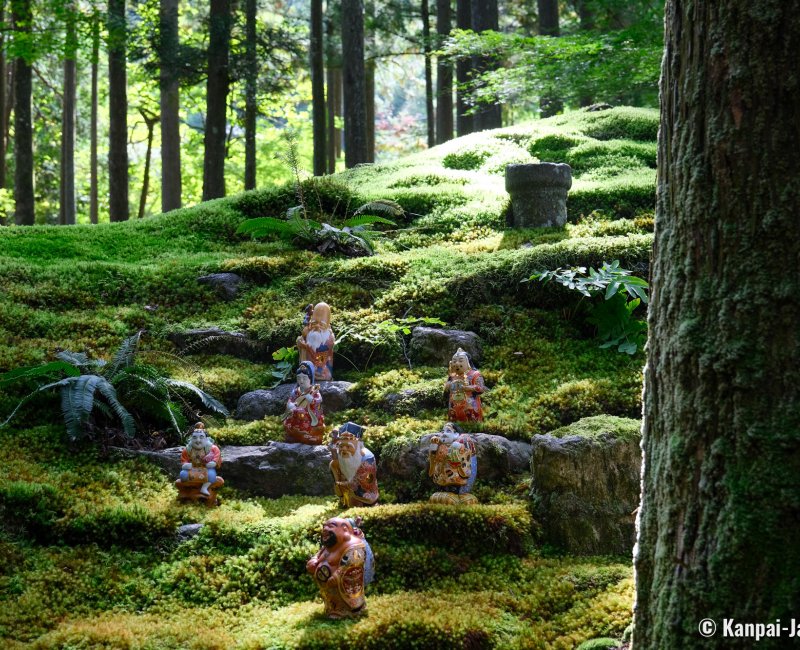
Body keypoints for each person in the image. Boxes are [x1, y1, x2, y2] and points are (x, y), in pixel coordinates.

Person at [307, 516, 374, 618]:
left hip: (346, 590)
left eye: (331, 526)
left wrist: (337, 576)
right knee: (333, 603)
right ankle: (333, 610)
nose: (325, 529)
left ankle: (351, 612)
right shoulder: (329, 545)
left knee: (347, 602)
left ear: (345, 529)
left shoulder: (354, 545)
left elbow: (353, 563)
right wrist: (313, 561)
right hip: (329, 592)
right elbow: (319, 554)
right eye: (324, 526)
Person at [426, 422, 478, 505]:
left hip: (457, 482)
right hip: (443, 481)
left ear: (456, 434)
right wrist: (433, 449)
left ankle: (459, 494)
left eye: (448, 431)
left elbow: (466, 470)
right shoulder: (441, 447)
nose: (443, 433)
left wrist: (457, 463)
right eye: (442, 431)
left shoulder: (459, 445)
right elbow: (433, 464)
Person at [329, 422, 379, 507]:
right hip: (346, 491)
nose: (344, 449)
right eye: (341, 446)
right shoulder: (340, 457)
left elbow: (364, 481)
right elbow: (335, 467)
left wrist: (343, 484)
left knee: (357, 501)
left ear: (358, 446)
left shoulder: (367, 457)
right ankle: (344, 501)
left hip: (363, 494)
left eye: (348, 447)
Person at [283, 362, 325, 445]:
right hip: (295, 414)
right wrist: (290, 405)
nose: (301, 381)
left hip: (308, 415)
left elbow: (318, 400)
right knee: (290, 420)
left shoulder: (314, 391)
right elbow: (291, 400)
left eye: (304, 378)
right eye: (299, 378)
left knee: (304, 418)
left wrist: (312, 400)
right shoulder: (295, 391)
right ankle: (294, 434)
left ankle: (308, 435)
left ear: (310, 379)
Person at [177, 423, 222, 498]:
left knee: (212, 475)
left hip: (206, 469)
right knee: (183, 474)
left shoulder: (212, 448)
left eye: (201, 437)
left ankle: (204, 487)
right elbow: (183, 460)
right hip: (192, 469)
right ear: (191, 439)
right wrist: (185, 465)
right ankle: (189, 489)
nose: (198, 440)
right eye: (195, 438)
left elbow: (217, 456)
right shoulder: (187, 449)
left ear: (206, 439)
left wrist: (213, 462)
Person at [297, 302, 335, 381]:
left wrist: (306, 346)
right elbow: (303, 338)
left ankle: (317, 374)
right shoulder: (310, 333)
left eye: (321, 324)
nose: (317, 326)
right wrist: (300, 343)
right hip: (310, 364)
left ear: (327, 326)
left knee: (320, 368)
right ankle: (308, 373)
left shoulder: (329, 338)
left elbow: (321, 352)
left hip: (322, 362)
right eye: (314, 323)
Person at [445, 347, 485, 422]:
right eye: (454, 361)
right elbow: (446, 389)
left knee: (470, 415)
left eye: (460, 361)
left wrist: (470, 388)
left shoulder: (475, 374)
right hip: (454, 405)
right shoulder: (452, 376)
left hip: (470, 404)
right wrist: (448, 386)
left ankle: (473, 425)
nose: (457, 363)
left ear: (468, 362)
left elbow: (481, 388)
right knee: (453, 416)